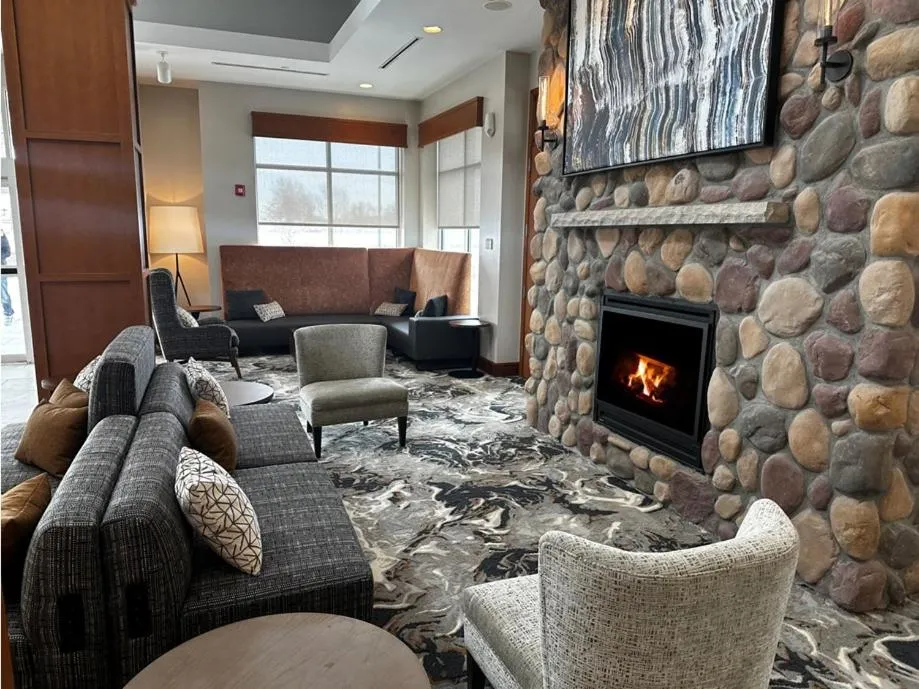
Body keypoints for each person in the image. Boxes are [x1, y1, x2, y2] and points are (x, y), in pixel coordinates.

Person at [1, 229, 13, 322]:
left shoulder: (1, 236)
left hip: (1, 266)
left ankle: (8, 312)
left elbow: (8, 252)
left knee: (3, 292)